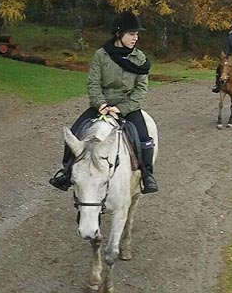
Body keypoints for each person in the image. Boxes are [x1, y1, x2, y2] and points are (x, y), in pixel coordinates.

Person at [49, 11, 159, 194]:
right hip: (102, 105)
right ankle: (66, 173)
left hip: (127, 107)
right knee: (74, 135)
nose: (135, 38)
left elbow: (141, 89)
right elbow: (93, 83)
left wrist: (122, 108)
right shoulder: (101, 55)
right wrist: (100, 104)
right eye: (131, 34)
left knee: (144, 139)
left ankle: (147, 175)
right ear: (118, 33)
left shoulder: (140, 60)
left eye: (137, 34)